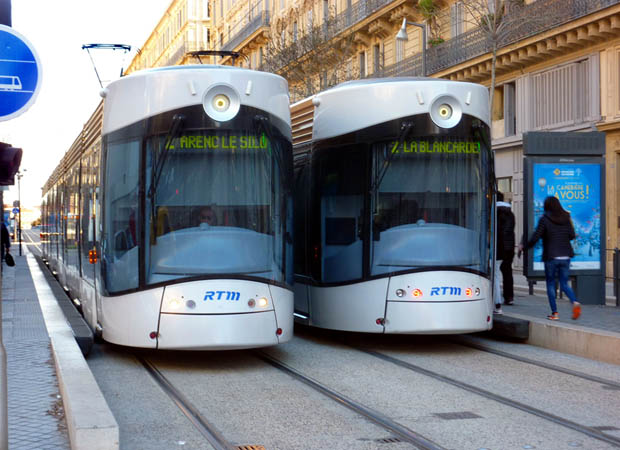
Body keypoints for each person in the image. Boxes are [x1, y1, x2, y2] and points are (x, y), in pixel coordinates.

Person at [519, 196, 581, 321]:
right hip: (565, 255)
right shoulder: (566, 217)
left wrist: (524, 247)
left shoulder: (544, 219)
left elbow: (536, 237)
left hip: (551, 256)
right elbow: (572, 235)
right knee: (564, 283)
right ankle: (575, 302)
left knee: (551, 284)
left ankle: (555, 313)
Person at [496, 192, 516, 309]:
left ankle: (496, 296)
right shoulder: (510, 213)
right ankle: (509, 297)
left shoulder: (495, 212)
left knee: (495, 273)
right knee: (508, 272)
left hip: (499, 247)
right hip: (509, 247)